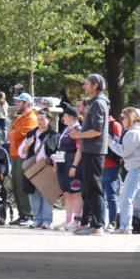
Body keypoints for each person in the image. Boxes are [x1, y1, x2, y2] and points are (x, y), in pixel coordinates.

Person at [74, 74, 110, 236]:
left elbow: (97, 130)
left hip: (94, 152)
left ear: (95, 85)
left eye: (86, 84)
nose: (84, 86)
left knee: (94, 189)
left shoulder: (98, 104)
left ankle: (97, 226)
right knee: (88, 188)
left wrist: (79, 135)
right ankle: (87, 223)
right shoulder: (95, 103)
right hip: (90, 151)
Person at [18, 109, 59, 230]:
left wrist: (54, 162)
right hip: (32, 168)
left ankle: (46, 220)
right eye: (38, 119)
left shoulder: (54, 135)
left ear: (49, 120)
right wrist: (27, 145)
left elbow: (57, 152)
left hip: (47, 168)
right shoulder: (31, 133)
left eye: (42, 119)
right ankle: (37, 219)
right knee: (33, 194)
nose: (40, 122)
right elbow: (21, 153)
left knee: (47, 194)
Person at [6, 92, 38, 226]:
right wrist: (12, 133)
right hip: (15, 155)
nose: (17, 104)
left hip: (23, 157)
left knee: (22, 185)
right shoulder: (21, 118)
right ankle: (22, 215)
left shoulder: (31, 118)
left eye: (20, 102)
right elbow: (11, 133)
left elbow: (17, 134)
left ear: (27, 103)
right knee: (16, 186)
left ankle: (28, 215)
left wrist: (12, 133)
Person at [53, 105, 84, 232]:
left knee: (75, 193)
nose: (63, 118)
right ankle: (68, 220)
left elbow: (79, 150)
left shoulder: (78, 129)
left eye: (65, 115)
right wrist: (56, 163)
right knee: (67, 193)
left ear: (72, 117)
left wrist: (74, 166)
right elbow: (59, 147)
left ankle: (77, 221)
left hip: (72, 163)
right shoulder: (66, 129)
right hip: (62, 164)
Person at [101, 113, 124, 229]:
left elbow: (117, 143)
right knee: (101, 196)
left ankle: (113, 222)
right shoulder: (98, 124)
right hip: (99, 164)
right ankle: (100, 223)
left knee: (111, 195)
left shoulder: (114, 125)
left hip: (111, 164)